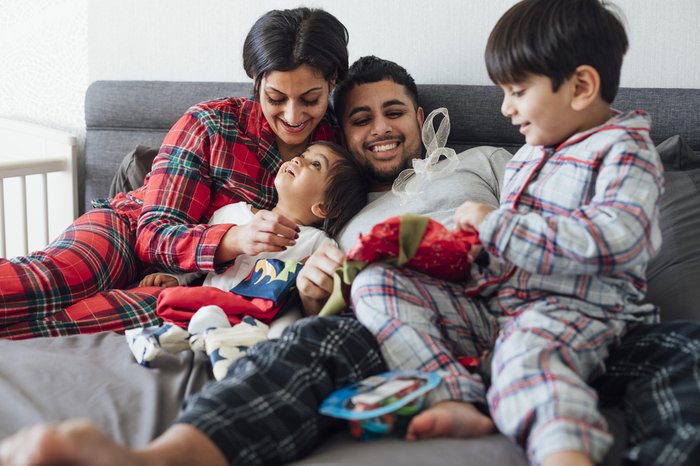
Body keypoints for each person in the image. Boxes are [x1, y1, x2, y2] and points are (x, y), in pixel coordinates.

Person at [1, 56, 699, 466]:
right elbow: (291, 285)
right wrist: (309, 285)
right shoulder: (342, 205)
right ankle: (164, 458)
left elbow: (574, 220)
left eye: (392, 111)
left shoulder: (497, 158)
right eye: (359, 119)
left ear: (421, 116)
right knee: (313, 339)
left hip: (552, 306)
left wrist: (485, 232)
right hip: (422, 322)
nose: (379, 129)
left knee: (689, 352)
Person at [351, 1, 664, 466]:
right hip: (496, 308)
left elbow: (619, 239)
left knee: (528, 354)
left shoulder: (624, 151)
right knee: (375, 284)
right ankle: (455, 397)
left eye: (517, 91)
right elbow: (503, 254)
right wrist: (466, 251)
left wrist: (498, 225)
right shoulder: (526, 156)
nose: (505, 108)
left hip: (577, 311)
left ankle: (564, 451)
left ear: (580, 87)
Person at [0, 7, 350, 340]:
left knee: (68, 324)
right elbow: (152, 235)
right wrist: (235, 239)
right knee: (52, 283)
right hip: (128, 229)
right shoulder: (212, 124)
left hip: (189, 285)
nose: (292, 115)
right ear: (256, 82)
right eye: (276, 98)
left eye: (310, 99)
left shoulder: (336, 151)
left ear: (332, 82)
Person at [137, 141, 367, 331]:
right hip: (206, 308)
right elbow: (198, 263)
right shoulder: (232, 213)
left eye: (315, 164)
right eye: (303, 154)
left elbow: (322, 296)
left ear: (324, 208)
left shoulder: (317, 243)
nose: (298, 159)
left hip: (258, 323)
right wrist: (175, 279)